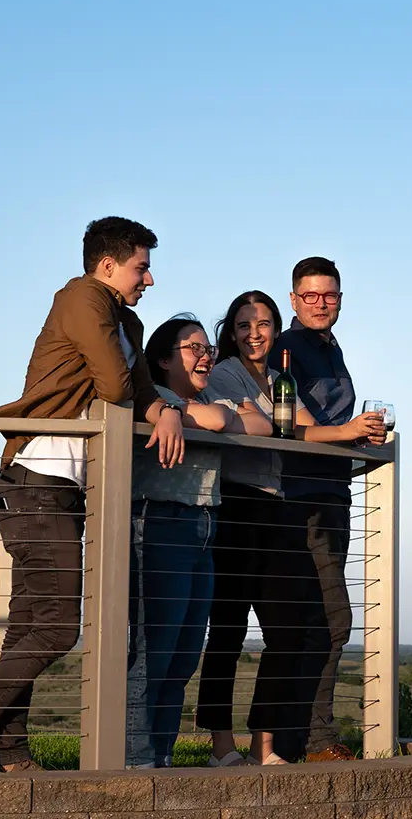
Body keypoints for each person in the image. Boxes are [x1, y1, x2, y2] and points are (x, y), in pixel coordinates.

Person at [0, 217, 184, 776]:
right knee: (56, 627)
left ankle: (12, 752)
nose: (149, 279)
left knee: (27, 626)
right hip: (35, 481)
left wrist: (165, 410)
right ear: (108, 266)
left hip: (63, 488)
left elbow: (139, 390)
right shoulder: (80, 299)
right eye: (141, 267)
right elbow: (118, 388)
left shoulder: (126, 322)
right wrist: (139, 393)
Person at [195, 291, 331, 765]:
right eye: (245, 325)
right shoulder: (222, 373)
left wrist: (357, 429)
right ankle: (220, 748)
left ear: (276, 330)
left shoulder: (278, 380)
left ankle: (262, 746)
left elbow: (304, 430)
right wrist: (269, 422)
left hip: (275, 507)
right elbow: (251, 427)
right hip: (233, 505)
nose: (255, 334)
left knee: (288, 631)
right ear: (230, 332)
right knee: (227, 631)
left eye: (265, 324)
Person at [128, 313, 270, 767]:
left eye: (208, 348)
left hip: (204, 526)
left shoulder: (204, 399)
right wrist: (225, 415)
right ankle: (135, 757)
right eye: (194, 348)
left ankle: (162, 756)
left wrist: (223, 415)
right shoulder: (159, 398)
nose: (206, 355)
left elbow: (263, 426)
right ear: (164, 359)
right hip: (161, 523)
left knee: (183, 656)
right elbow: (216, 420)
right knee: (155, 650)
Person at [270, 256, 385, 761]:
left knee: (315, 623)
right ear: (293, 300)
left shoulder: (329, 348)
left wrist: (362, 434)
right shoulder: (288, 347)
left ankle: (298, 740)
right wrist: (350, 432)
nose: (321, 303)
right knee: (330, 620)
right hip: (302, 500)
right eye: (311, 296)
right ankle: (314, 739)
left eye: (330, 295)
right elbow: (289, 421)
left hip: (331, 495)